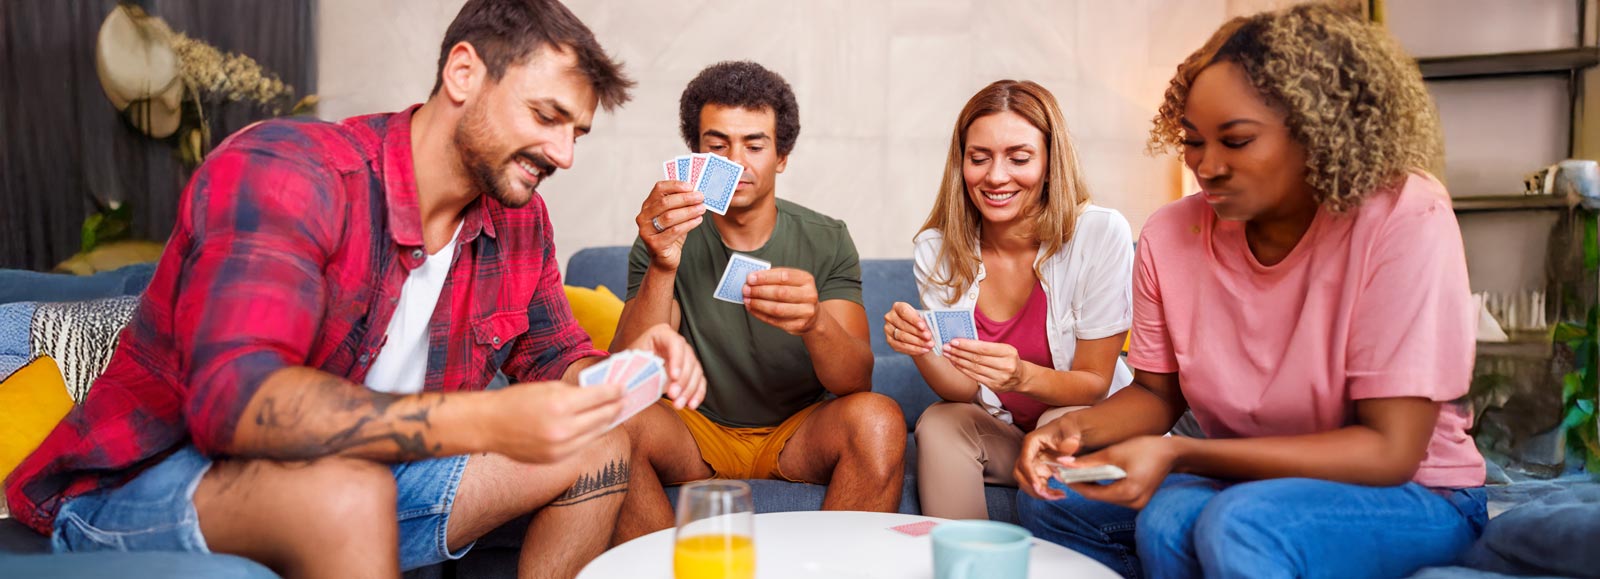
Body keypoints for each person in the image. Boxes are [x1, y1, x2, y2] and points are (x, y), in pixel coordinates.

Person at [4, 1, 707, 577]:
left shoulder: (518, 220)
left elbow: (558, 365)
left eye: (577, 132)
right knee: (348, 491)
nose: (564, 154)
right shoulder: (290, 170)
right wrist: (491, 421)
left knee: (601, 443)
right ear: (464, 71)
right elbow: (235, 402)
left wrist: (625, 370)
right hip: (158, 479)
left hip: (375, 473)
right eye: (548, 117)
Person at [1011, 4, 1488, 578]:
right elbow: (1159, 397)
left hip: (1415, 492)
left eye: (1235, 141)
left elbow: (1390, 451)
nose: (1205, 167)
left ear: (1319, 131)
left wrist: (1180, 451)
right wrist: (1071, 432)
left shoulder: (1402, 214)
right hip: (1246, 478)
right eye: (1191, 141)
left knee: (1239, 523)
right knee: (1081, 501)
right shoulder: (1170, 235)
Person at [611, 60, 906, 544]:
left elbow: (856, 380)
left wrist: (814, 322)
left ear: (782, 155)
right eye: (717, 145)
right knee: (612, 422)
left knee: (878, 416)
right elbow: (627, 372)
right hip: (693, 431)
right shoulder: (665, 235)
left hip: (797, 433)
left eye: (755, 144)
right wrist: (664, 263)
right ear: (697, 155)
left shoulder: (827, 238)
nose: (738, 162)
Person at [882, 80, 1133, 520]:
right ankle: (969, 562)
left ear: (1051, 163)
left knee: (1058, 421)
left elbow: (1094, 382)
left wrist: (1021, 376)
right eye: (979, 158)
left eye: (1019, 158)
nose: (996, 177)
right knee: (940, 421)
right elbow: (961, 389)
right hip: (1006, 434)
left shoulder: (1099, 234)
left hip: (1091, 424)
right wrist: (921, 347)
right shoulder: (937, 249)